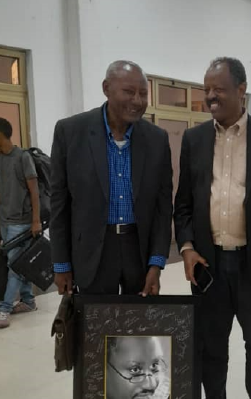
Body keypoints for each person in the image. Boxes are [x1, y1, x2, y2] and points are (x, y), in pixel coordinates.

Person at [174, 57, 251, 399]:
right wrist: (187, 247)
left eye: (219, 89)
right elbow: (183, 203)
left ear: (241, 90)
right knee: (211, 344)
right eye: (207, 90)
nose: (211, 96)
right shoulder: (194, 139)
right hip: (208, 265)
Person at [50, 60, 173, 296]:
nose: (137, 101)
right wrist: (61, 264)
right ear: (106, 88)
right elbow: (59, 203)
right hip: (91, 251)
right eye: (128, 92)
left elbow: (163, 207)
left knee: (138, 319)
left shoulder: (157, 139)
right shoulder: (71, 132)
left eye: (143, 94)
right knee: (96, 319)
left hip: (138, 251)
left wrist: (157, 262)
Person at [0, 117, 42, 328]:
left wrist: (35, 221)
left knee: (14, 266)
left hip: (21, 221)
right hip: (6, 221)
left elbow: (34, 192)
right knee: (21, 263)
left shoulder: (23, 157)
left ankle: (4, 308)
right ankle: (28, 301)